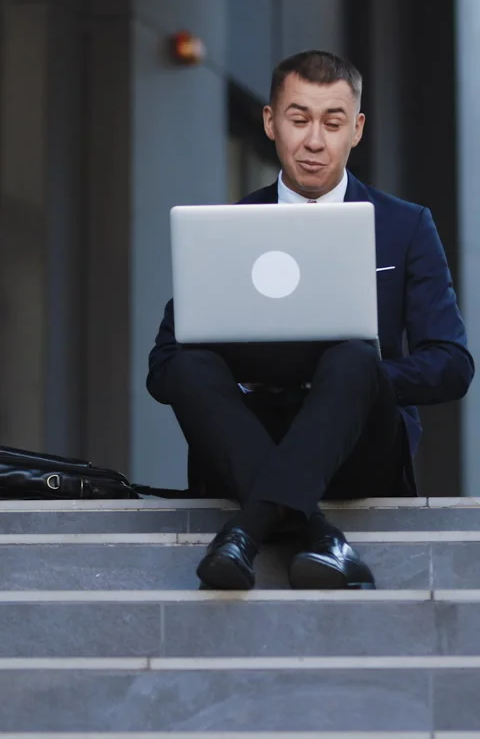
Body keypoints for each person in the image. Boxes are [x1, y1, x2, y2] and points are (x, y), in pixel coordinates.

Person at [146, 50, 474, 591]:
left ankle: (248, 529)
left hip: (360, 448)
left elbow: (453, 365)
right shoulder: (228, 229)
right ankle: (317, 535)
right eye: (299, 120)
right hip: (255, 436)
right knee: (189, 363)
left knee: (353, 357)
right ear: (271, 123)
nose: (315, 141)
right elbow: (163, 371)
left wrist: (355, 384)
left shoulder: (406, 225)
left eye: (333, 122)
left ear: (357, 130)